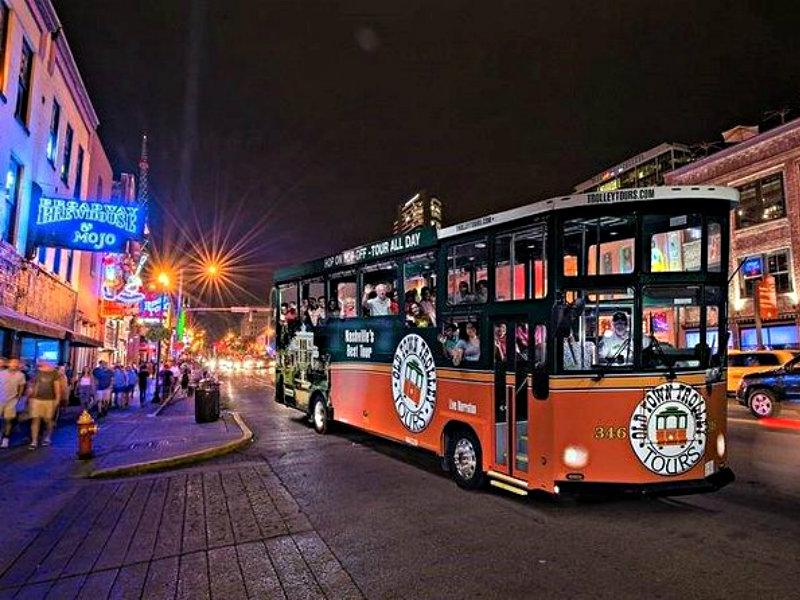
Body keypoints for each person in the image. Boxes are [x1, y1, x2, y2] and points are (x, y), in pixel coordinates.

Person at [28, 360, 63, 450]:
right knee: (35, 419)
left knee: (48, 420)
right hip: (36, 399)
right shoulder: (36, 372)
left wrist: (57, 400)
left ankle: (47, 437)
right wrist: (30, 397)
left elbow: (57, 387)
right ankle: (34, 441)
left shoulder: (54, 373)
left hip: (49, 400)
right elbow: (32, 384)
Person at [1, 358, 26, 448]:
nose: (14, 364)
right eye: (13, 362)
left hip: (11, 401)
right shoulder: (1, 373)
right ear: (8, 364)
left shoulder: (21, 375)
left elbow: (21, 387)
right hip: (0, 400)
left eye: (16, 363)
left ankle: (5, 439)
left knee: (8, 420)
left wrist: (18, 398)